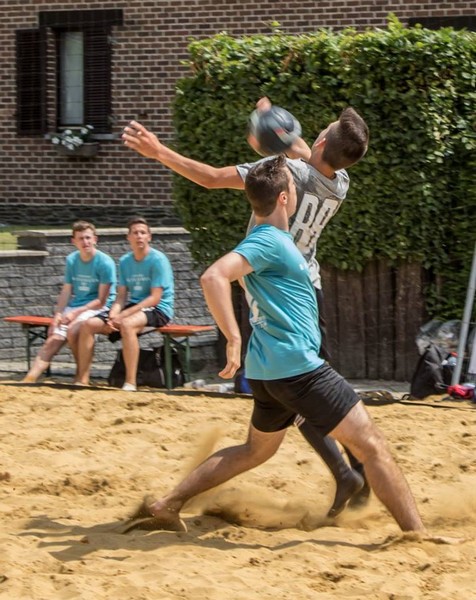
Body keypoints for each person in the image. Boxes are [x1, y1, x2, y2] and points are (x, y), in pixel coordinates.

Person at [122, 156, 426, 535]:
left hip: (269, 371)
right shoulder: (267, 240)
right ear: (284, 198)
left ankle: (168, 504)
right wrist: (233, 338)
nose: (299, 189)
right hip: (298, 369)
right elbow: (213, 277)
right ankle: (418, 535)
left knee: (255, 451)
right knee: (373, 446)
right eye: (294, 186)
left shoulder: (273, 239)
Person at [122, 99, 370, 516]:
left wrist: (159, 151)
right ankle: (353, 468)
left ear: (322, 142)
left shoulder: (287, 175)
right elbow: (310, 149)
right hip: (307, 289)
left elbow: (211, 178)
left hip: (275, 288)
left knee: (298, 387)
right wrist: (274, 122)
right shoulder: (340, 180)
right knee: (307, 385)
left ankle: (347, 472)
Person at [76, 216, 174, 390]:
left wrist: (123, 316)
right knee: (88, 324)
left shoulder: (158, 260)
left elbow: (155, 298)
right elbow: (121, 296)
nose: (139, 236)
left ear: (149, 237)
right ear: (128, 237)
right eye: (135, 233)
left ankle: (130, 382)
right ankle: (82, 379)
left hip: (158, 309)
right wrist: (113, 315)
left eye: (143, 233)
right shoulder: (125, 261)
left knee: (127, 324)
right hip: (134, 306)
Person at [22, 221, 116, 384]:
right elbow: (66, 290)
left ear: (95, 239)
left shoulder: (105, 262)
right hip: (76, 305)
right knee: (52, 341)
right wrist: (58, 315)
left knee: (73, 331)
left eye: (88, 238)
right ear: (74, 241)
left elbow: (101, 301)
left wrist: (75, 313)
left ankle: (81, 377)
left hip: (99, 308)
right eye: (81, 238)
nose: (85, 242)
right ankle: (29, 379)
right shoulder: (72, 260)